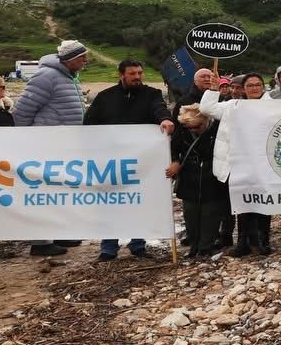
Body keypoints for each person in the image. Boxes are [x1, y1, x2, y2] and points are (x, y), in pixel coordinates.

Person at [85, 59, 174, 261]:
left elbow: (159, 109)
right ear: (121, 74)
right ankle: (108, 247)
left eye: (140, 73)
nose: (137, 77)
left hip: (140, 162)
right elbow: (89, 124)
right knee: (110, 202)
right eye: (132, 74)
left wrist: (165, 119)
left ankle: (138, 244)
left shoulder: (152, 94)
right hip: (110, 161)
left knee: (138, 200)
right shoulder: (104, 97)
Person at [13, 40, 90, 256]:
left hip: (64, 145)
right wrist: (25, 140)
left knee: (60, 190)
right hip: (45, 145)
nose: (86, 60)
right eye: (82, 57)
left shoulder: (70, 77)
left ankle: (60, 233)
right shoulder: (46, 76)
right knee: (43, 192)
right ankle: (40, 241)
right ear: (69, 59)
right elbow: (23, 111)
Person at [199, 71, 274, 255]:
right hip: (238, 163)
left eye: (257, 84)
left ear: (263, 87)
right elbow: (207, 109)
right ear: (244, 89)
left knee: (264, 203)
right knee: (243, 204)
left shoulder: (274, 106)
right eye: (250, 85)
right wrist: (214, 89)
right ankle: (243, 243)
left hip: (262, 163)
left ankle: (262, 241)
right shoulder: (233, 106)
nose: (254, 88)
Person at [169, 104, 228, 256]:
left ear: (206, 121)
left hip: (212, 177)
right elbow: (173, 148)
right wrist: (175, 161)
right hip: (190, 178)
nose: (193, 130)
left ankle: (205, 247)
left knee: (211, 215)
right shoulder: (182, 130)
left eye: (197, 127)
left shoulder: (218, 130)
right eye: (189, 127)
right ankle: (194, 245)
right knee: (191, 216)